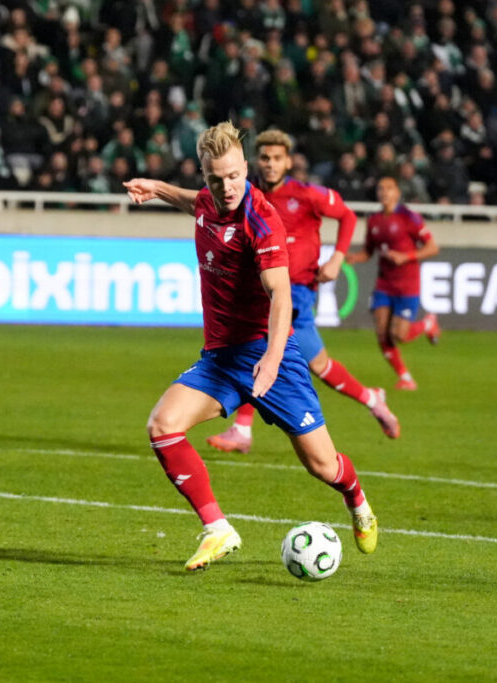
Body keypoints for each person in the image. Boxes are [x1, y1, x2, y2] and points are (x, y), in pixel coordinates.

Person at [123, 122, 378, 572]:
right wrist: (158, 187)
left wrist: (273, 360)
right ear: (205, 174)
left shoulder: (261, 220)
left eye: (234, 176)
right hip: (220, 361)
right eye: (215, 178)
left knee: (322, 466)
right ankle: (218, 529)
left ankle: (357, 499)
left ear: (246, 169)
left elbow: (281, 295)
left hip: (270, 356)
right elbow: (193, 202)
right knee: (162, 425)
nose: (226, 187)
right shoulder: (207, 201)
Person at [208, 129, 399, 455]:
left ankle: (242, 429)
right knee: (319, 364)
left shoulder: (307, 194)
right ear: (256, 160)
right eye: (265, 158)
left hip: (295, 292)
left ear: (288, 161)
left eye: (277, 158)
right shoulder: (248, 196)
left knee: (260, 345)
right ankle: (371, 398)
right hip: (262, 291)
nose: (270, 165)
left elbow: (348, 215)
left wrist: (337, 258)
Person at [346, 176, 440, 390]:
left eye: (389, 188)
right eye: (381, 188)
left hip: (407, 284)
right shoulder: (374, 220)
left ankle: (427, 324)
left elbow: (432, 247)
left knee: (399, 335)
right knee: (381, 332)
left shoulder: (410, 217)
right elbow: (369, 251)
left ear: (397, 192)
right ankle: (405, 377)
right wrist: (354, 257)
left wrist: (405, 257)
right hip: (384, 284)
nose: (384, 192)